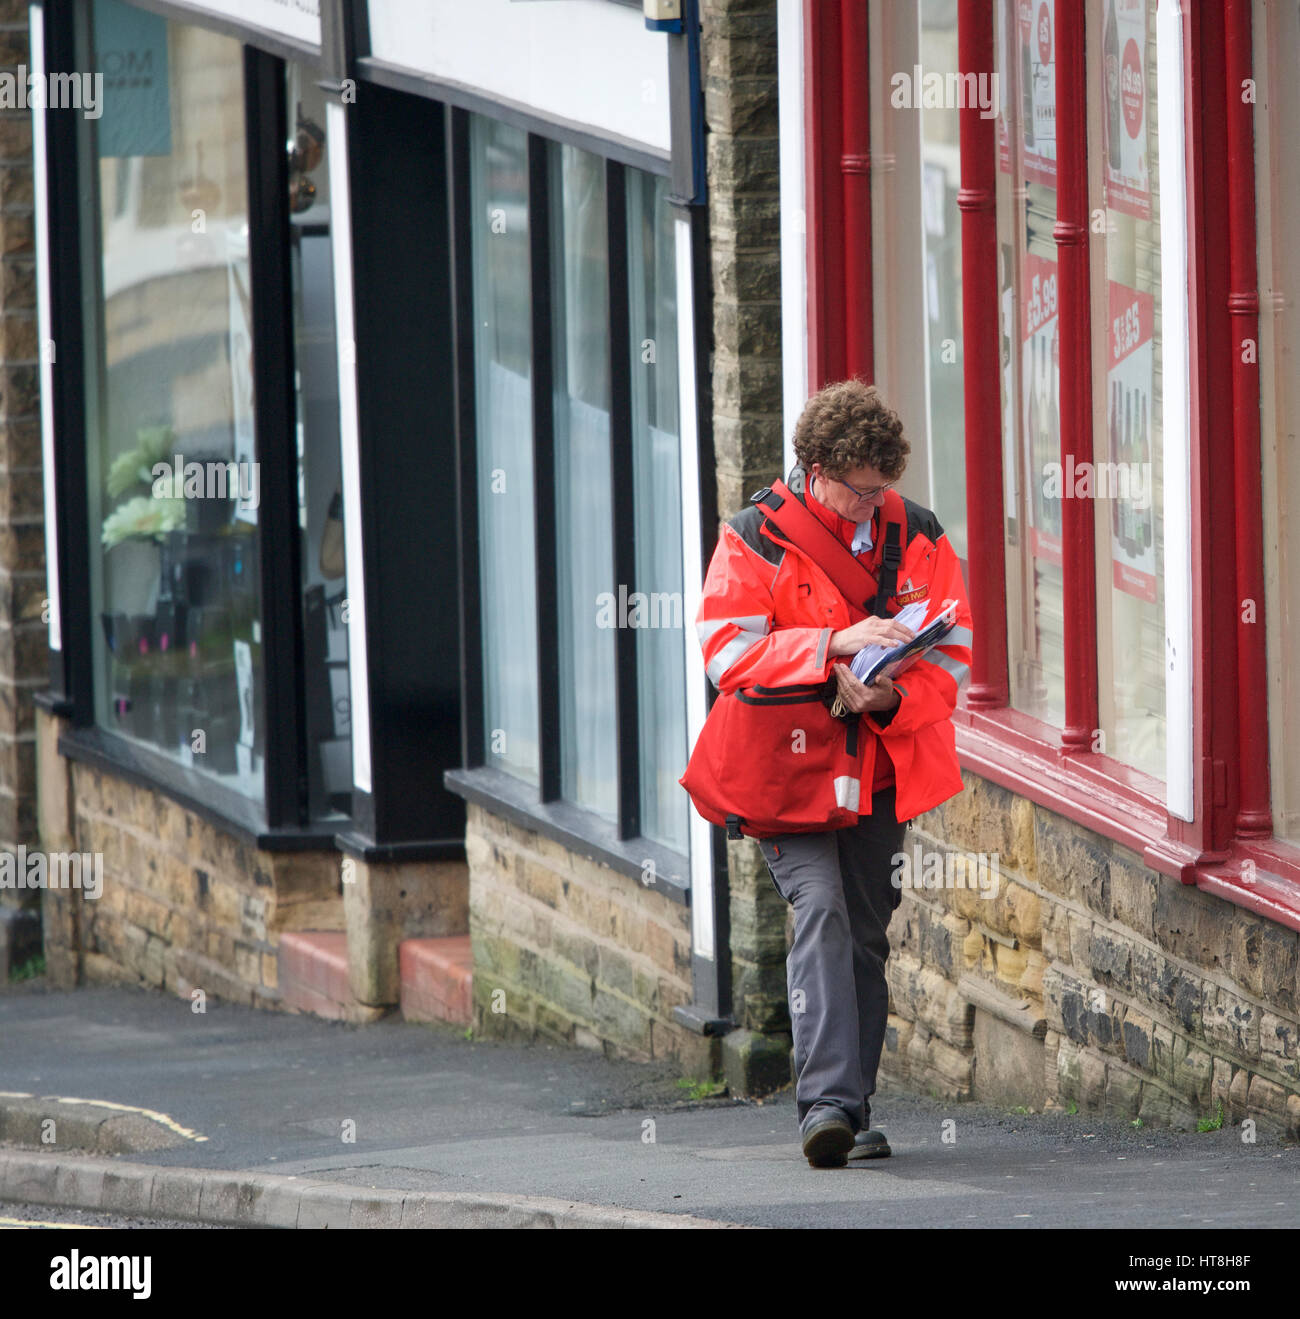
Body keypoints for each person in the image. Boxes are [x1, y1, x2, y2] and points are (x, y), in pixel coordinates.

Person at [694, 379, 973, 1168]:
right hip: (781, 773)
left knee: (865, 933)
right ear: (815, 469)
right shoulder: (751, 537)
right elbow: (725, 652)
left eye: (882, 489)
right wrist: (831, 649)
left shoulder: (917, 532)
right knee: (818, 910)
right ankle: (826, 1105)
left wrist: (889, 691)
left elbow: (951, 652)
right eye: (859, 491)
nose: (871, 504)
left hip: (878, 765)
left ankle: (854, 1104)